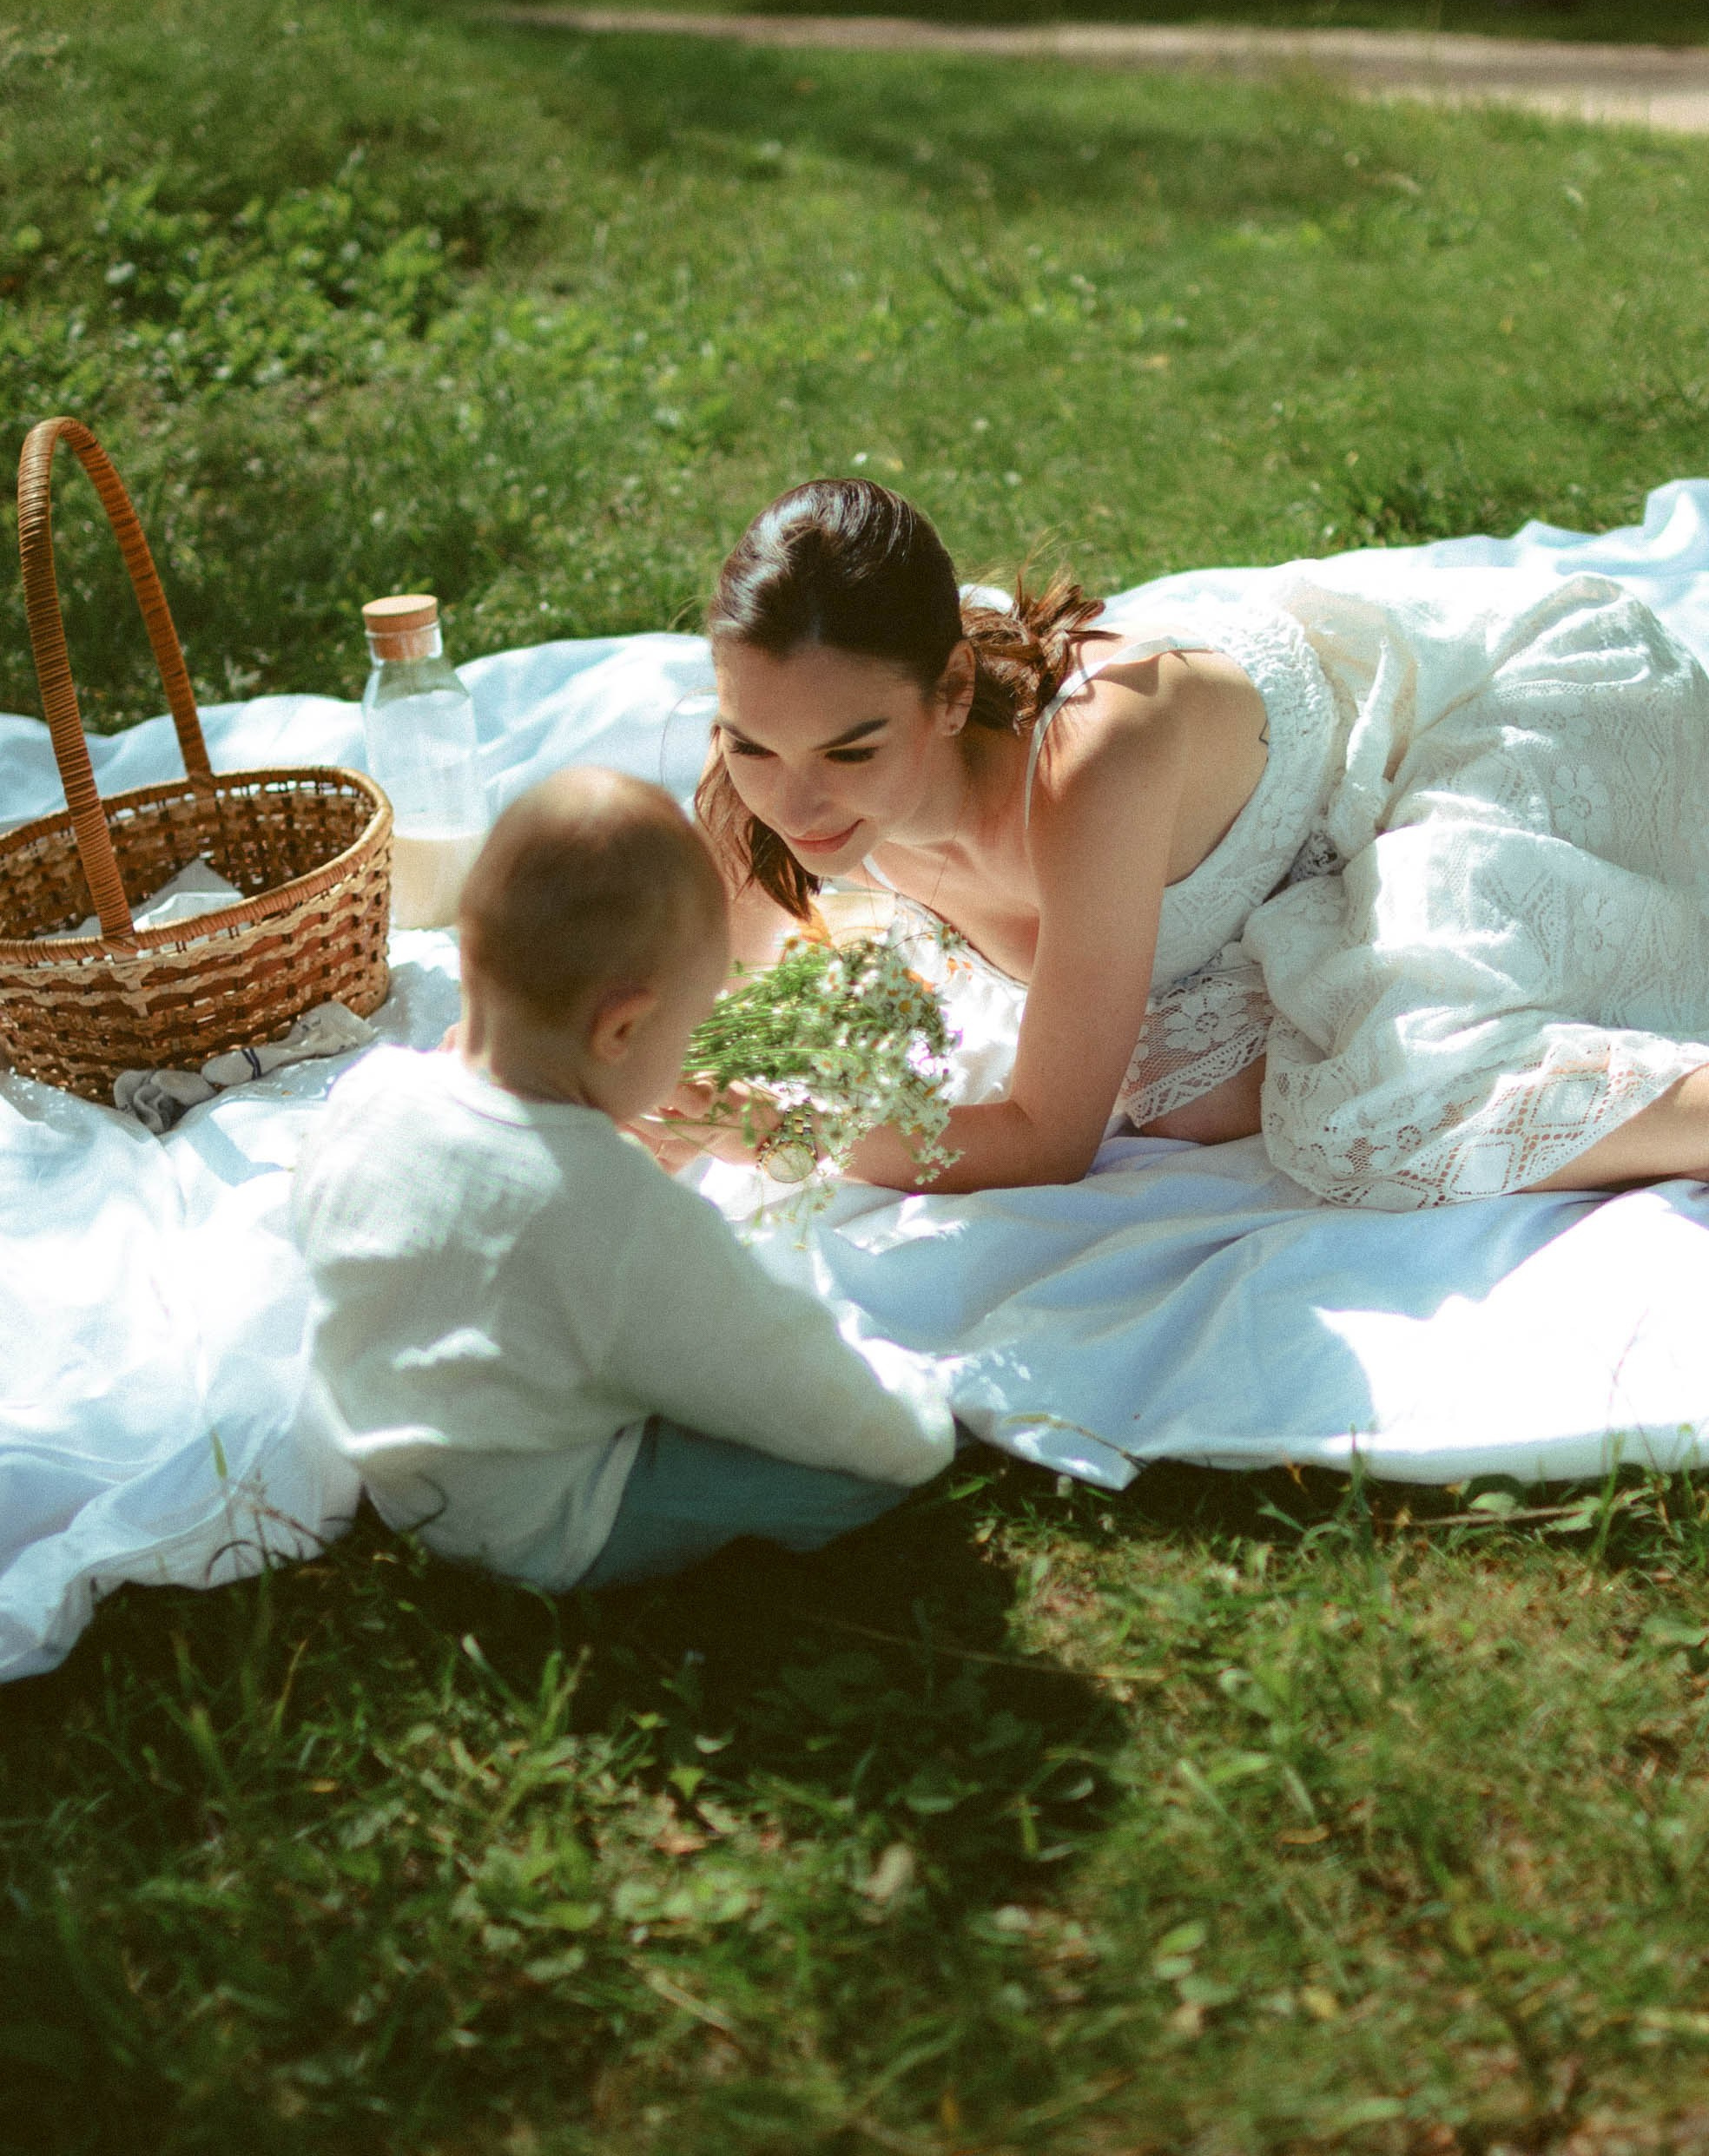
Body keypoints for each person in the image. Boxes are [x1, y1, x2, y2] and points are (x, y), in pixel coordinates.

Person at [638, 478, 1709, 1211]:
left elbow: (1048, 1140)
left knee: (1389, 1101)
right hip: (1270, 861)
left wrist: (783, 1134)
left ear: (953, 692)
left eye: (853, 750)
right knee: (1198, 1098)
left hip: (1468, 723)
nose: (797, 797)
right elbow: (661, 1010)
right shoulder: (767, 781)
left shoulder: (1086, 759)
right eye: (749, 741)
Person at [291, 766, 953, 1592]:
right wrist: (917, 1424)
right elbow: (773, 1367)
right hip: (541, 1523)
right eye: (688, 1027)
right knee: (849, 1474)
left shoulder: (370, 1094)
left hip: (397, 1470)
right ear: (624, 1027)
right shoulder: (609, 1208)